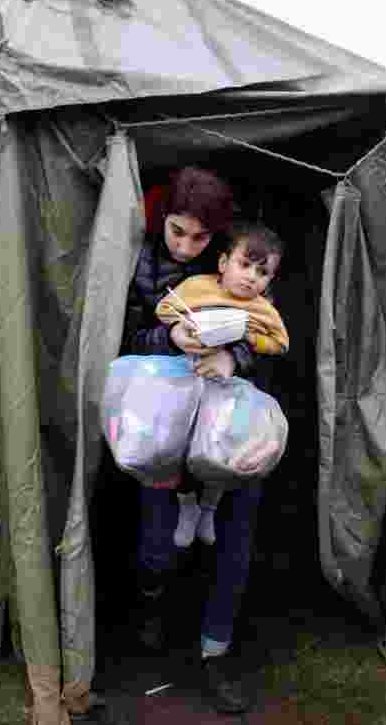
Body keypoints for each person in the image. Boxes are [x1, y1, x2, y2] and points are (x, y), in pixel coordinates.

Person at [118, 166, 278, 714]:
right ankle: (152, 607)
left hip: (231, 428)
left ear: (221, 245)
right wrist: (170, 337)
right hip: (162, 426)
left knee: (233, 541)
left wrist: (235, 355)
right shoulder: (135, 263)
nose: (186, 246)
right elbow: (118, 337)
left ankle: (216, 653)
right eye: (177, 232)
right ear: (163, 221)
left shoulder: (243, 271)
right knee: (157, 541)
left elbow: (276, 335)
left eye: (201, 238)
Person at [153, 221, 288, 548]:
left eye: (262, 272)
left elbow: (280, 343)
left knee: (220, 452)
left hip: (228, 391)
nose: (251, 277)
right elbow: (165, 308)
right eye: (244, 265)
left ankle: (209, 507)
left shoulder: (262, 309)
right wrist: (180, 330)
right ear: (224, 263)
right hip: (188, 381)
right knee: (183, 450)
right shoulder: (198, 286)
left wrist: (247, 338)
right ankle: (187, 505)